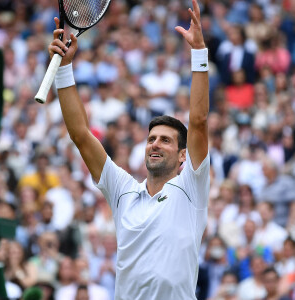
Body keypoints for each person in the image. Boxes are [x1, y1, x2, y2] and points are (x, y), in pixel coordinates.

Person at [47, 0, 210, 298]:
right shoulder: (123, 191)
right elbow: (81, 135)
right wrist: (65, 69)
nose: (155, 144)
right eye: (151, 139)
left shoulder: (192, 187)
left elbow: (198, 121)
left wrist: (199, 53)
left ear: (183, 155)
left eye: (165, 140)